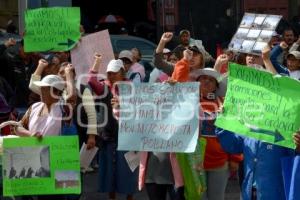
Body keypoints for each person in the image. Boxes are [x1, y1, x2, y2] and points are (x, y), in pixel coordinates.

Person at [88, 55, 137, 200]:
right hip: (108, 135)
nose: (111, 75)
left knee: (129, 169)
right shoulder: (104, 87)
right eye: (109, 72)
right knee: (109, 171)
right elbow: (91, 81)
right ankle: (112, 197)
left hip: (128, 136)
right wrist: (97, 61)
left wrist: (123, 103)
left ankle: (129, 197)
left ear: (122, 72)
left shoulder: (132, 87)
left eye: (114, 72)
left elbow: (141, 108)